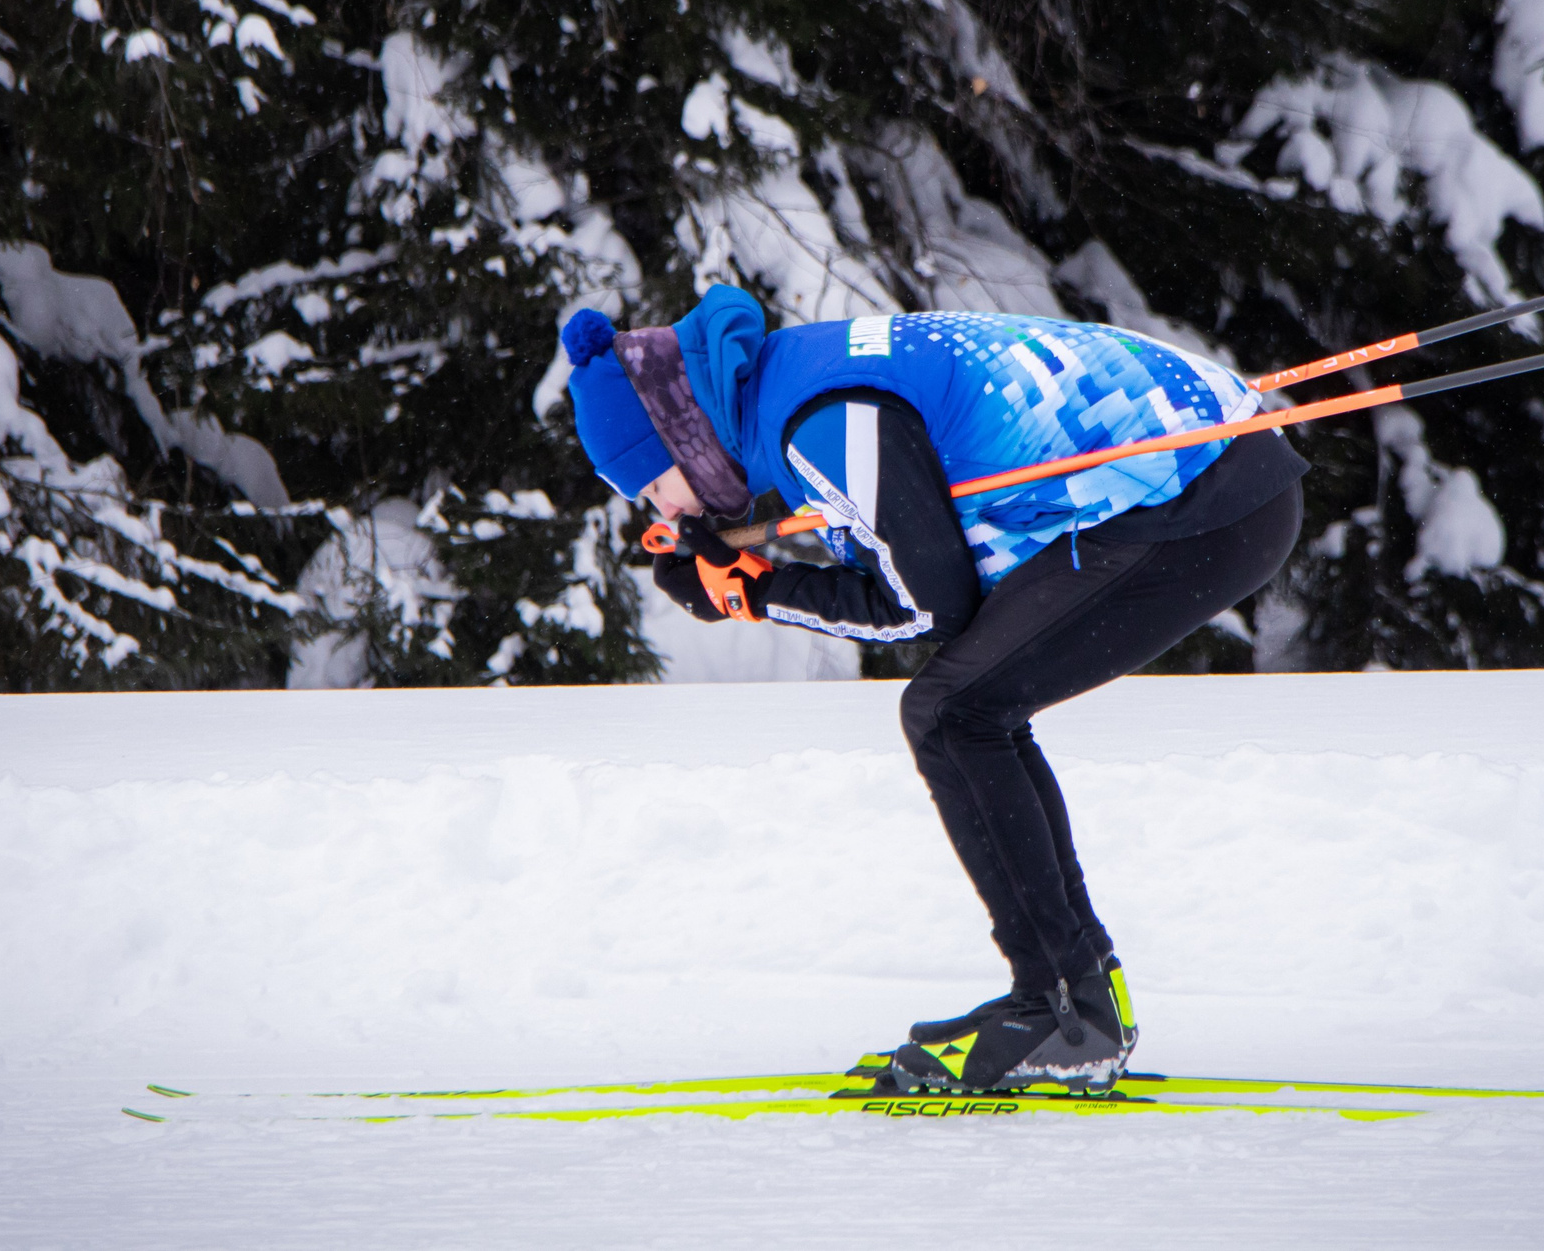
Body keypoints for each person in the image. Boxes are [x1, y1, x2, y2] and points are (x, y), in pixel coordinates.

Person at [560, 285, 1307, 1094]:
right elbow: (927, 573)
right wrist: (754, 579)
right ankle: (1078, 997)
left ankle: (1063, 1012)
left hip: (1205, 496)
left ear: (678, 429)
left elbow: (928, 607)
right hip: (1219, 474)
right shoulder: (790, 385)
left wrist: (756, 593)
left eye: (648, 485)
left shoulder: (817, 422)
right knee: (973, 701)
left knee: (952, 712)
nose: (660, 509)